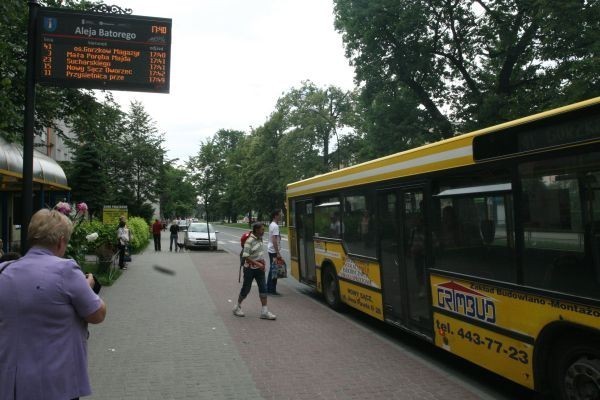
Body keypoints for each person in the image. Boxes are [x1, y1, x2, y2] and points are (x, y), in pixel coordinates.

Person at [0, 208, 106, 400]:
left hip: (10, 383)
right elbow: (97, 314)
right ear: (61, 241)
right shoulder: (65, 270)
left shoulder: (4, 270)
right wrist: (87, 287)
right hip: (54, 384)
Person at [232, 222, 276, 320]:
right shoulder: (249, 241)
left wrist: (262, 262)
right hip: (249, 269)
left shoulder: (260, 238)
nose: (264, 231)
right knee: (246, 289)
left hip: (259, 269)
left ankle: (264, 311)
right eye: (262, 229)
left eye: (264, 229)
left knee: (263, 289)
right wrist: (258, 264)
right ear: (256, 230)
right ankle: (237, 307)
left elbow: (259, 252)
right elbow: (246, 256)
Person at [266, 209, 283, 295]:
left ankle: (269, 288)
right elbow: (274, 240)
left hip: (271, 249)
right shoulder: (275, 226)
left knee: (272, 269)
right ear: (275, 216)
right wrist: (278, 252)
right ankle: (271, 290)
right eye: (279, 215)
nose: (281, 216)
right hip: (273, 251)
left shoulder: (271, 225)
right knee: (274, 270)